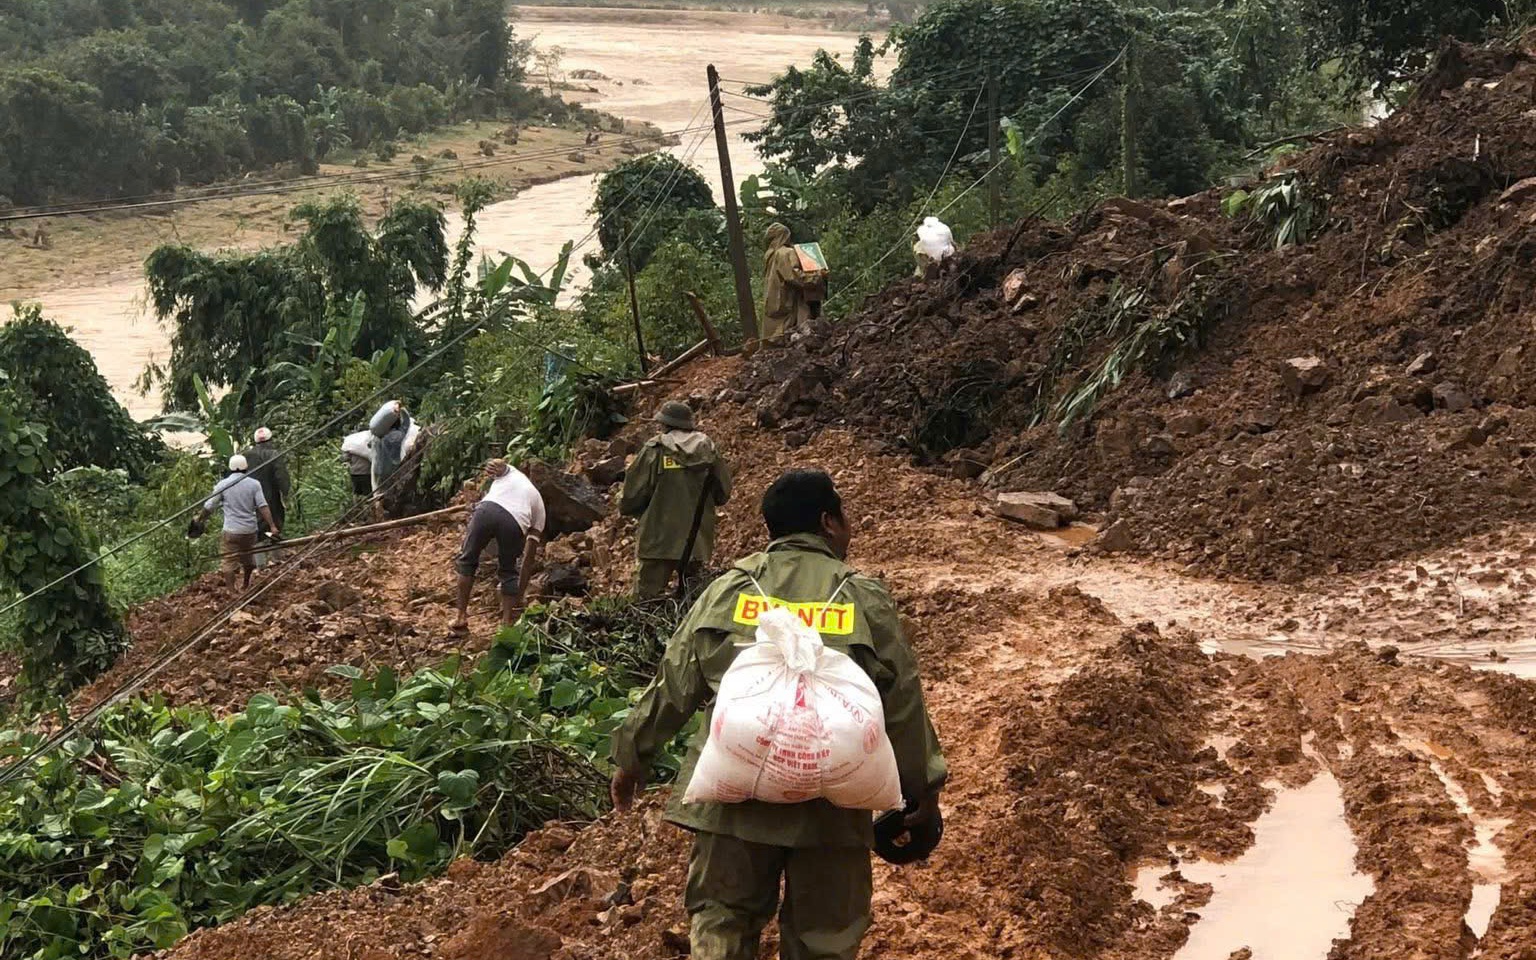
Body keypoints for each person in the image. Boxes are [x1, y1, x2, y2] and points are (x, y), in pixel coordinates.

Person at [609, 469, 947, 960]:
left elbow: (675, 681)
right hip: (834, 803)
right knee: (824, 939)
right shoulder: (860, 595)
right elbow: (902, 701)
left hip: (735, 796)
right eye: (845, 519)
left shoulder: (729, 589)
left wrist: (632, 756)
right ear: (829, 523)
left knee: (723, 919)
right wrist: (922, 788)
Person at [620, 401, 732, 599]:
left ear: (664, 424)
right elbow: (723, 492)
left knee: (646, 600)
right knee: (693, 601)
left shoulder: (655, 448)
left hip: (658, 539)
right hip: (696, 540)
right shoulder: (708, 449)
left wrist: (631, 510)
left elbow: (632, 494)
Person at [451, 458, 546, 632]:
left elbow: (500, 465)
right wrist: (520, 593)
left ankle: (460, 617)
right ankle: (506, 623)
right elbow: (528, 558)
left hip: (486, 511)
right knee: (508, 571)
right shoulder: (540, 509)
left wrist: (493, 464)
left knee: (467, 561)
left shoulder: (515, 474)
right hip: (514, 522)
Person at [195, 454, 280, 592]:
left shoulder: (222, 485)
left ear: (230, 468)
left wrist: (200, 520)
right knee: (248, 560)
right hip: (249, 531)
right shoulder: (254, 484)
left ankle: (232, 591)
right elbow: (263, 506)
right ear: (246, 468)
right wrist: (272, 526)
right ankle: (245, 584)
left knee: (228, 561)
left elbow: (209, 506)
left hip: (231, 531)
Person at [762, 222, 816, 346]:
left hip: (774, 301)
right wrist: (816, 277)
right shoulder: (785, 253)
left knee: (773, 337)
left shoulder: (769, 255)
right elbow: (795, 277)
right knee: (791, 334)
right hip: (788, 301)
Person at [241, 426, 291, 533]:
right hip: (270, 494)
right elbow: (281, 475)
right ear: (270, 439)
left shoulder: (246, 456)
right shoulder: (273, 454)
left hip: (250, 495)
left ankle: (257, 539)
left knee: (255, 518)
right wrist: (285, 491)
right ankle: (272, 538)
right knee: (273, 517)